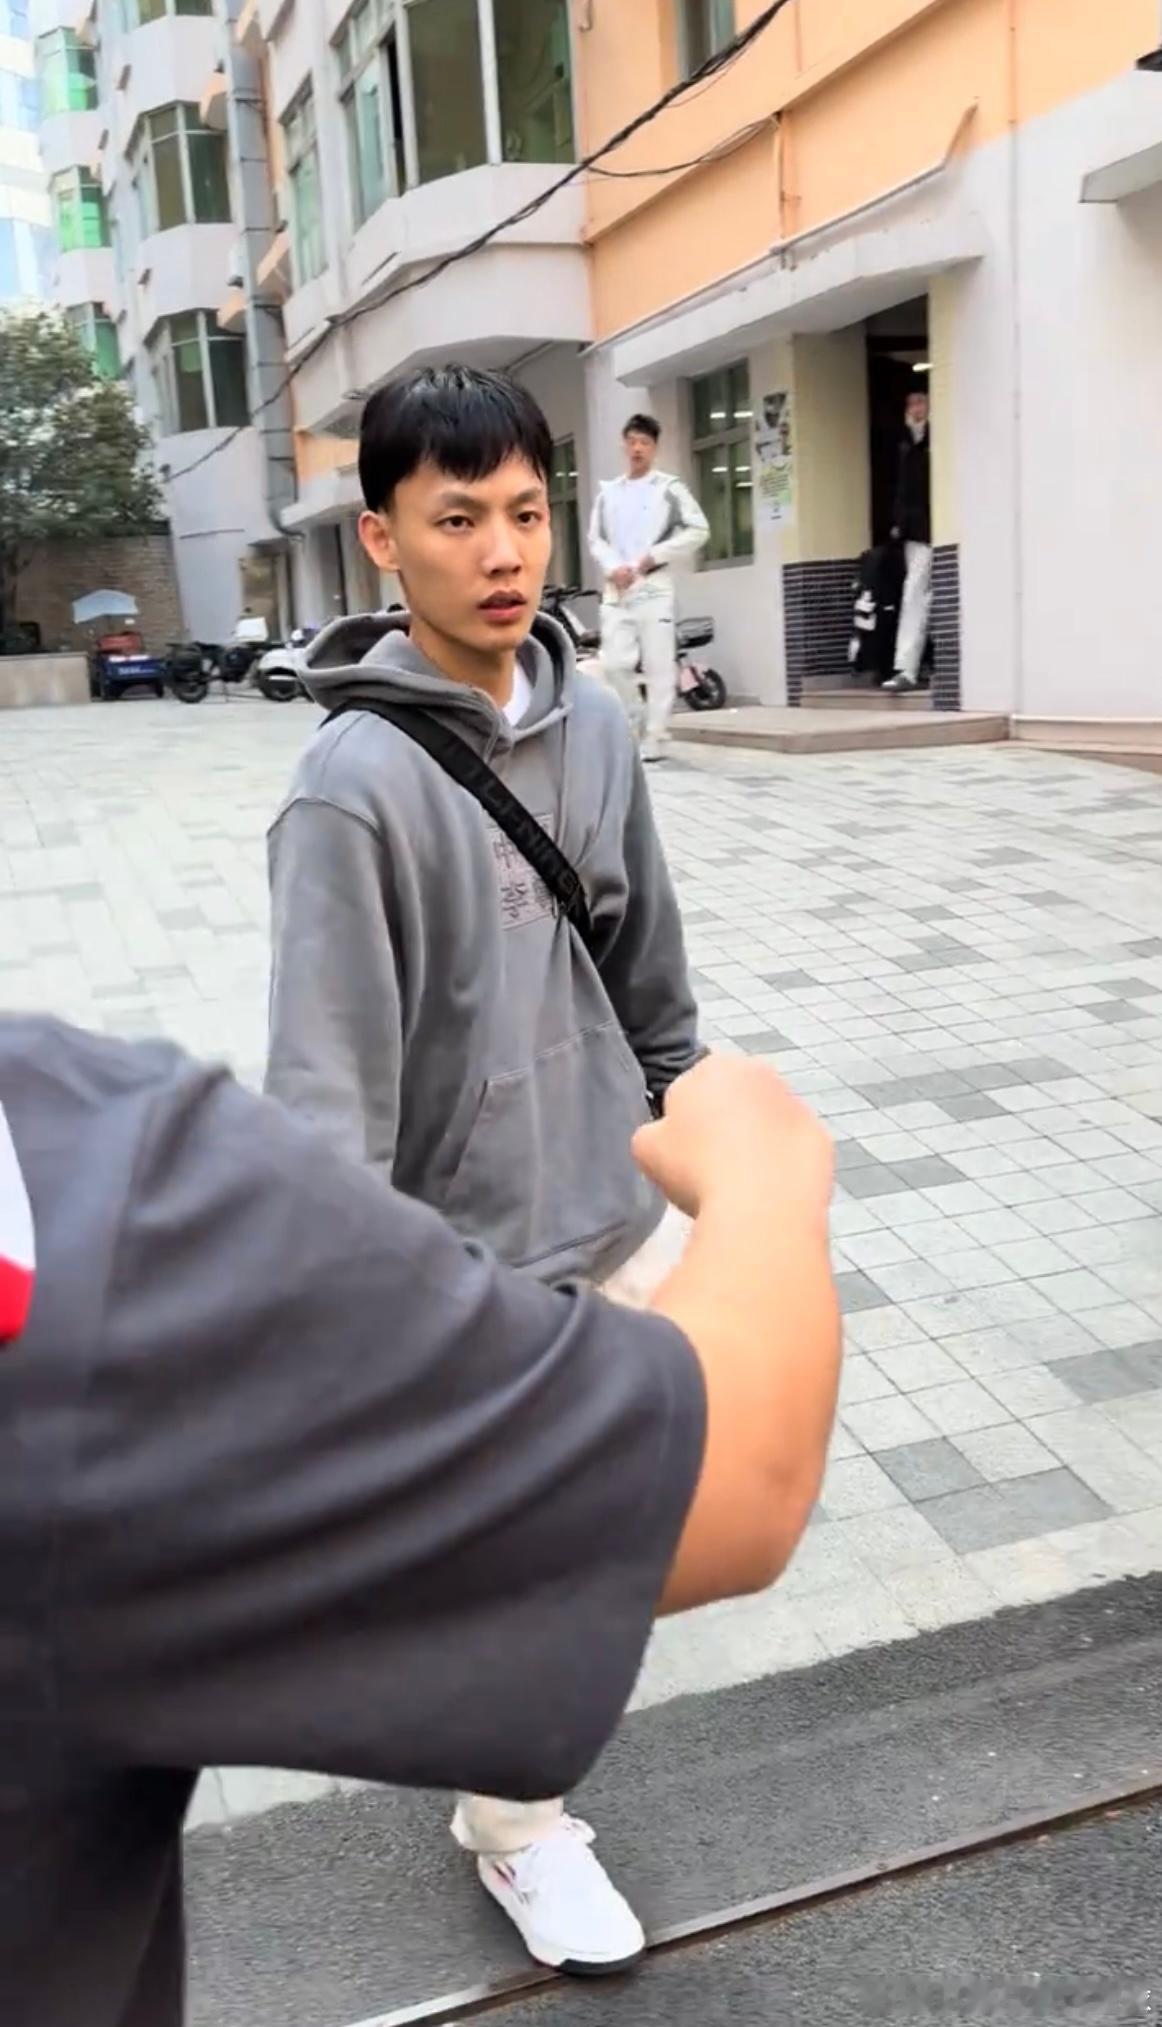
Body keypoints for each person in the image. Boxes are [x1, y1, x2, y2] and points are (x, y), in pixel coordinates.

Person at [0, 1025, 840, 2027]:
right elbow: (738, 1474)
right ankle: (515, 1832)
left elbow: (639, 982)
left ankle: (519, 1827)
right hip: (500, 1239)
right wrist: (762, 1168)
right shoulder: (91, 1189)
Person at [265, 364, 706, 1974]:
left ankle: (499, 1742)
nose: (504, 550)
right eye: (457, 519)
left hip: (618, 1211)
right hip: (465, 1264)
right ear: (384, 538)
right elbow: (324, 1086)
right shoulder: (350, 789)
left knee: (609, 1535)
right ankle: (517, 1825)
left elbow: (648, 968)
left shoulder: (595, 723)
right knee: (529, 1554)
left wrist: (692, 1138)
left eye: (525, 511)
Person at [589, 413, 710, 761]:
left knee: (658, 664)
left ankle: (657, 735)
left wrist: (654, 556)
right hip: (617, 588)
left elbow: (699, 529)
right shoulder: (608, 493)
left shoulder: (669, 489)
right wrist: (613, 567)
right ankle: (635, 722)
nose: (637, 449)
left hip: (654, 584)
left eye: (644, 442)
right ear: (624, 445)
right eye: (632, 442)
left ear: (654, 447)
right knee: (614, 663)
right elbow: (596, 538)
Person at [884, 388, 932, 694]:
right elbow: (900, 487)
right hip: (916, 531)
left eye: (921, 401)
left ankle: (915, 666)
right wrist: (899, 523)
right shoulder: (903, 442)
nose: (916, 408)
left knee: (921, 594)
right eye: (911, 403)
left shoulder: (935, 438)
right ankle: (907, 668)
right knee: (914, 592)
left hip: (939, 524)